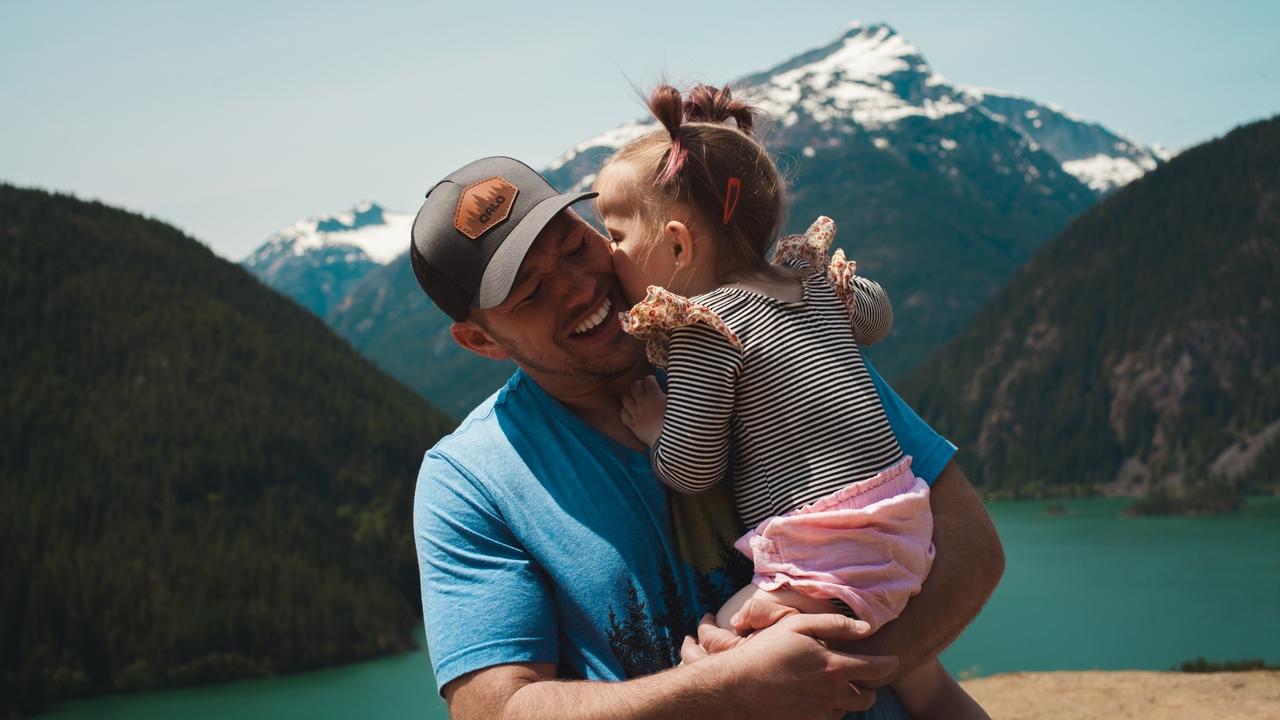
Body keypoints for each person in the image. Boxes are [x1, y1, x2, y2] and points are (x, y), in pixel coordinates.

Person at [409, 154, 1004, 720]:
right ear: (480, 340)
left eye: (575, 245)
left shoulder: (758, 326)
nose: (578, 287)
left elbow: (972, 546)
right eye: (532, 292)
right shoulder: (469, 482)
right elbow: (494, 708)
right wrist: (729, 694)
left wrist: (831, 673)